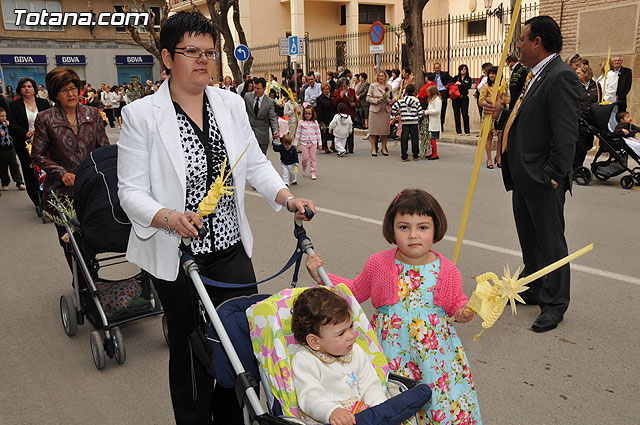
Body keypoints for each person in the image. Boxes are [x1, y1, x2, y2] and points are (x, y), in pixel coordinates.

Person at [116, 11, 316, 425]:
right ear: (168, 57)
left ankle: (233, 419)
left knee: (238, 343)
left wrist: (286, 196)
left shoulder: (229, 103)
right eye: (192, 51)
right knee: (191, 350)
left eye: (209, 52)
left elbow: (255, 162)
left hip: (229, 247)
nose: (203, 60)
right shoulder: (142, 116)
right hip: (177, 254)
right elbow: (130, 193)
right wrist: (168, 216)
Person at [306, 189, 481, 424]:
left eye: (422, 227)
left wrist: (464, 311)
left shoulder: (447, 269)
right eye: (404, 227)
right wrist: (321, 276)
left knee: (438, 403)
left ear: (436, 228)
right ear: (392, 229)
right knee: (391, 399)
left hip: (435, 356)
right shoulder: (379, 263)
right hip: (391, 351)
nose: (413, 235)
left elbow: (456, 303)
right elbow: (354, 291)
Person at [484, 15, 579, 333]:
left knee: (551, 242)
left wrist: (553, 174)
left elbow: (566, 133)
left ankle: (554, 303)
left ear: (538, 42)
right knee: (530, 239)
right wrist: (501, 115)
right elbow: (528, 119)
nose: (519, 45)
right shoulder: (534, 74)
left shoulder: (561, 75)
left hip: (542, 177)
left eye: (522, 39)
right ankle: (536, 286)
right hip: (523, 174)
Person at [31, 66, 110, 275]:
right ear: (56, 93)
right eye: (65, 90)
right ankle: (82, 283)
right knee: (70, 242)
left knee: (94, 238)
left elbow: (104, 149)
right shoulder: (45, 118)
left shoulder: (93, 114)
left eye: (74, 88)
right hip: (61, 194)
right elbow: (37, 154)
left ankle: (92, 277)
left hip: (92, 190)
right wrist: (60, 172)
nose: (71, 93)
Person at [291, 287, 388, 425]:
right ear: (315, 341)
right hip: (328, 420)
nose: (351, 335)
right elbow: (309, 396)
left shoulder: (356, 352)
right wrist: (331, 411)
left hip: (361, 416)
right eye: (341, 333)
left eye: (351, 326)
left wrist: (379, 408)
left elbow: (370, 385)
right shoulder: (305, 360)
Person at [8, 77, 51, 212]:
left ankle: (49, 197)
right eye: (24, 86)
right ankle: (37, 199)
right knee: (30, 171)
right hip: (25, 144)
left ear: (34, 89)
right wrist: (25, 132)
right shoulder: (14, 105)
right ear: (20, 89)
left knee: (46, 169)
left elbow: (51, 119)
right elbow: (12, 124)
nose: (27, 89)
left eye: (29, 86)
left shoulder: (43, 103)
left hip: (45, 142)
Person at [479, 66, 510, 168]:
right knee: (489, 136)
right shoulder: (486, 86)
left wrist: (502, 96)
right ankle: (489, 159)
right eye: (490, 73)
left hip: (500, 114)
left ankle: (498, 156)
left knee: (500, 135)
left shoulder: (502, 87)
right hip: (489, 114)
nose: (492, 75)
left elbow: (507, 100)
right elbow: (481, 100)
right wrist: (489, 103)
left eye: (494, 73)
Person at [574, 64, 600, 169]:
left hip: (590, 120)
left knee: (586, 144)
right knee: (577, 143)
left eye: (579, 73)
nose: (576, 75)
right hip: (578, 118)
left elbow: (598, 100)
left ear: (586, 74)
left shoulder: (596, 86)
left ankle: (579, 165)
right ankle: (574, 166)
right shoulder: (575, 85)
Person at [244, 77, 279, 154]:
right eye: (254, 88)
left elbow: (273, 118)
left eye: (258, 88)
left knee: (261, 160)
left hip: (262, 137)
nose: (255, 90)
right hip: (249, 135)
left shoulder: (269, 102)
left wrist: (275, 130)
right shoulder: (247, 97)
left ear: (264, 89)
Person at [365, 71, 393, 156]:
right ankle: (373, 148)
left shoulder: (389, 86)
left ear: (385, 77)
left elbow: (393, 98)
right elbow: (368, 98)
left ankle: (384, 148)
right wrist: (376, 100)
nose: (381, 77)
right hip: (375, 110)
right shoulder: (373, 86)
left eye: (382, 76)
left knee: (384, 131)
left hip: (385, 110)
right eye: (379, 76)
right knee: (373, 131)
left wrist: (390, 100)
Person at [392, 84, 421, 162]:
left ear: (406, 92)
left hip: (405, 121)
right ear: (414, 91)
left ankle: (404, 156)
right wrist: (418, 117)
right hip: (414, 121)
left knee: (404, 139)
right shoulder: (416, 100)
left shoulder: (401, 100)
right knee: (415, 138)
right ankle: (415, 155)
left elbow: (394, 108)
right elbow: (420, 111)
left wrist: (398, 115)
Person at [0, 107, 25, 191]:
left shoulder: (7, 124)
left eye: (5, 116)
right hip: (1, 148)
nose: (3, 118)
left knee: (14, 165)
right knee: (3, 166)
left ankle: (19, 182)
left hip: (10, 146)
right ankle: (5, 183)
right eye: (1, 116)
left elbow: (13, 132)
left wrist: (10, 126)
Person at [294, 105, 321, 180]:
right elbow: (298, 133)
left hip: (313, 142)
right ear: (304, 114)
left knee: (313, 158)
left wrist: (320, 144)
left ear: (312, 114)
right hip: (304, 143)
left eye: (309, 114)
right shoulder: (301, 123)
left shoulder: (314, 122)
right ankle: (304, 167)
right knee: (305, 158)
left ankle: (313, 172)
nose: (308, 115)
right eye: (306, 113)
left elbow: (318, 133)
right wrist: (295, 144)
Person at [332, 77, 357, 154]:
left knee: (350, 130)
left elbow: (356, 101)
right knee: (342, 132)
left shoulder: (352, 91)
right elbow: (334, 103)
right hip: (341, 115)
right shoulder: (337, 92)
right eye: (341, 86)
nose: (343, 88)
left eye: (344, 86)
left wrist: (354, 104)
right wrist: (341, 96)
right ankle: (343, 148)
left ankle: (351, 148)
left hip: (350, 114)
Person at [315, 82, 337, 154]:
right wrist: (318, 121)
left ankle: (333, 145)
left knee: (334, 132)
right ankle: (325, 146)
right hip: (324, 117)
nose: (327, 91)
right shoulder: (320, 98)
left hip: (333, 116)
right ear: (322, 90)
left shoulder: (333, 96)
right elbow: (318, 110)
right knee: (325, 132)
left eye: (328, 89)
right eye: (325, 89)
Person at [450, 64, 472, 136]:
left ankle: (467, 130)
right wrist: (455, 84)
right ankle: (458, 131)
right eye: (462, 69)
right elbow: (449, 83)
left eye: (465, 69)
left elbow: (468, 86)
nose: (463, 70)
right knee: (457, 114)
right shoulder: (456, 77)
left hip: (464, 98)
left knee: (465, 113)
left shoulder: (468, 78)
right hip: (456, 98)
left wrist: (460, 83)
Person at [423, 85, 442, 160]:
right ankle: (433, 152)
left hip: (434, 121)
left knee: (433, 137)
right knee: (431, 138)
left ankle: (435, 154)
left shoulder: (437, 99)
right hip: (430, 120)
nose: (427, 94)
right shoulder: (432, 99)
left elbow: (437, 110)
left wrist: (427, 112)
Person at [433, 63, 451, 130]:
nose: (437, 69)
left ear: (440, 68)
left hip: (443, 91)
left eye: (438, 68)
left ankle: (441, 124)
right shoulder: (433, 75)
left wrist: (447, 86)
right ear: (434, 69)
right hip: (436, 92)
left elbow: (451, 79)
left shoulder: (445, 74)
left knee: (443, 108)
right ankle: (436, 124)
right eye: (436, 68)